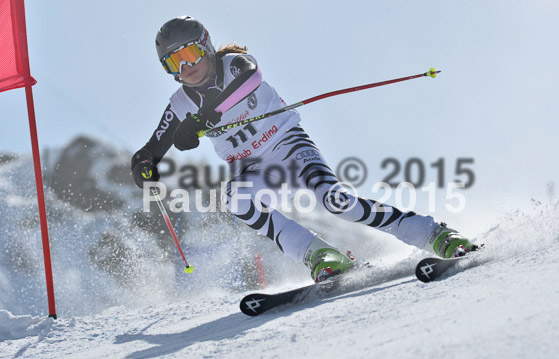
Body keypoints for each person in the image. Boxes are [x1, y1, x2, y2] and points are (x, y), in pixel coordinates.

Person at [131, 16, 475, 282]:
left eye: (189, 54)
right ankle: (319, 254)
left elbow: (250, 78)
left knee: (337, 202)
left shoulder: (234, 63)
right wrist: (144, 164)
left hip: (290, 148)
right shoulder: (180, 103)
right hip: (254, 170)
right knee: (235, 199)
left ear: (205, 46)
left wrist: (208, 116)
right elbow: (152, 148)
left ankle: (434, 233)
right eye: (173, 63)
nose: (186, 67)